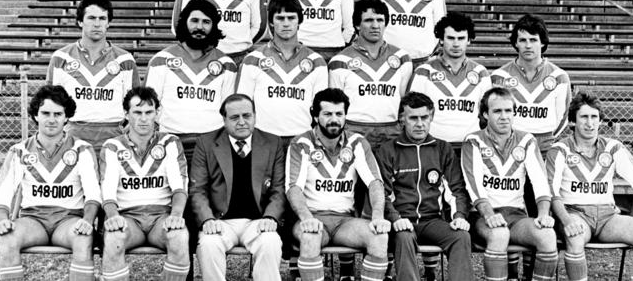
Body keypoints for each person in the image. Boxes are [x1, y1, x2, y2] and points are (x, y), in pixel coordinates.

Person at [0, 85, 101, 281]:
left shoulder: (81, 149)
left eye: (58, 114)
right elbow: (4, 193)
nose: (52, 119)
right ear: (35, 115)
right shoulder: (19, 150)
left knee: (83, 237)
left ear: (67, 117)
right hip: (33, 220)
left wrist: (87, 220)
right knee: (7, 237)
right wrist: (2, 220)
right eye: (46, 113)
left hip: (68, 220)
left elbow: (93, 193)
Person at [491, 14, 571, 278]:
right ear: (515, 43)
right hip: (508, 151)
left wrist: (539, 146)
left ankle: (532, 270)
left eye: (533, 40)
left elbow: (562, 119)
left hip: (543, 152)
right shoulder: (500, 76)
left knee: (539, 213)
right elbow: (494, 114)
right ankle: (511, 270)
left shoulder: (559, 77)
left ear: (543, 43)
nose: (527, 45)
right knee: (511, 209)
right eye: (522, 40)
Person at [286, 88, 391, 281]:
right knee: (310, 236)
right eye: (327, 114)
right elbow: (294, 188)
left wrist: (377, 216)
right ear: (316, 116)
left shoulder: (357, 142)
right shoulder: (301, 143)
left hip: (345, 221)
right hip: (312, 217)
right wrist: (307, 218)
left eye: (339, 114)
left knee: (379, 237)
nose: (334, 119)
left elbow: (375, 183)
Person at [461, 87, 558, 281]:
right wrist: (489, 215)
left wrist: (544, 214)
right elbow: (474, 185)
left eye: (508, 111)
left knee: (547, 236)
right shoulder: (474, 141)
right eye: (497, 111)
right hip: (483, 216)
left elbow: (540, 182)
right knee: (499, 234)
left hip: (516, 215)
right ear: (485, 114)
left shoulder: (527, 140)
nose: (504, 117)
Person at [376, 92, 473, 281]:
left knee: (461, 236)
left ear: (432, 117)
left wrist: (459, 216)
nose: (420, 123)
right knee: (404, 237)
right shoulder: (388, 150)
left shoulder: (443, 149)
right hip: (402, 222)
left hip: (433, 221)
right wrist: (395, 218)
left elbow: (456, 190)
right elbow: (382, 193)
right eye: (413, 118)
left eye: (424, 117)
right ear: (402, 119)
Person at [189, 94, 286, 281]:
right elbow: (198, 190)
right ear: (224, 120)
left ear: (255, 116)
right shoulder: (206, 143)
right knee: (208, 244)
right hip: (220, 221)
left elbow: (278, 189)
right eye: (234, 117)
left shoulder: (273, 143)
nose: (241, 122)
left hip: (258, 221)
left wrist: (271, 216)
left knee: (271, 241)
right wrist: (207, 219)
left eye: (247, 116)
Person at [100, 87, 190, 281]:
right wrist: (113, 216)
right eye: (137, 112)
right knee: (114, 238)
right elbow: (107, 190)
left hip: (161, 217)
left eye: (149, 112)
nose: (143, 118)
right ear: (126, 114)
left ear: (157, 114)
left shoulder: (169, 142)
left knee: (179, 236)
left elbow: (179, 185)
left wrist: (176, 215)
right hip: (129, 217)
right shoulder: (113, 146)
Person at [547, 92, 633, 281]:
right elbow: (552, 193)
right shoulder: (560, 150)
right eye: (584, 117)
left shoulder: (613, 148)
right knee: (575, 237)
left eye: (594, 117)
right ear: (573, 121)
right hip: (575, 213)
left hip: (607, 217)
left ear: (600, 120)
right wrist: (565, 220)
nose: (590, 123)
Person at [46, 0, 139, 155]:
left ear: (108, 23)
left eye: (102, 18)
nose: (97, 24)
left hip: (114, 136)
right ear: (80, 21)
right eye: (91, 18)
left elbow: (136, 105)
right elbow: (51, 104)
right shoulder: (61, 58)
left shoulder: (125, 60)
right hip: (73, 135)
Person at [145, 0, 236, 162]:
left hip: (212, 145)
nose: (199, 27)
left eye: (206, 22)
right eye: (194, 21)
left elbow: (229, 111)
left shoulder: (226, 65)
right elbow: (148, 107)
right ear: (184, 23)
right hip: (170, 142)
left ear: (213, 26)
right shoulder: (161, 60)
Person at [236, 0, 328, 148]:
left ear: (300, 21)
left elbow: (322, 110)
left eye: (291, 18)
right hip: (263, 140)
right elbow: (241, 106)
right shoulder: (252, 60)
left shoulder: (316, 62)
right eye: (280, 18)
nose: (286, 24)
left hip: (302, 140)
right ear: (271, 22)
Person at [329, 0, 412, 150]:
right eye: (368, 20)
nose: (375, 26)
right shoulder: (340, 61)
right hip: (353, 132)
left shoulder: (403, 59)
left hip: (391, 133)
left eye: (380, 20)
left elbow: (403, 101)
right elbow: (335, 107)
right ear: (357, 25)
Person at [408, 11, 491, 150]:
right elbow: (411, 112)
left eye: (461, 38)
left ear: (469, 40)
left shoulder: (481, 73)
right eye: (451, 38)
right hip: (432, 147)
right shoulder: (424, 72)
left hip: (470, 148)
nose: (456, 44)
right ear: (441, 39)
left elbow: (487, 115)